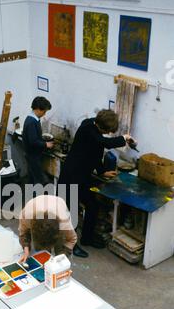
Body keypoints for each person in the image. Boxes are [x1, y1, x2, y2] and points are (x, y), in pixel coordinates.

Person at [57, 109, 136, 258]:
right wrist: (124, 138)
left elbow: (96, 152)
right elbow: (103, 142)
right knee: (70, 212)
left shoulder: (96, 128)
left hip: (84, 176)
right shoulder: (87, 128)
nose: (106, 134)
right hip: (71, 176)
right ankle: (70, 245)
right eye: (106, 131)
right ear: (102, 127)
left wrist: (101, 171)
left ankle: (87, 238)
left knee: (93, 206)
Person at [18, 194, 77, 263]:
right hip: (35, 205)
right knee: (41, 252)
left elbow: (72, 239)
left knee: (60, 250)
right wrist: (26, 249)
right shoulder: (26, 216)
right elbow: (23, 233)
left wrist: (59, 260)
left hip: (58, 204)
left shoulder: (64, 223)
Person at [22, 96, 54, 185]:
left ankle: (31, 196)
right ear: (38, 109)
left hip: (30, 154)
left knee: (32, 178)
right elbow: (33, 141)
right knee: (39, 180)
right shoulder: (32, 122)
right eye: (44, 111)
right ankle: (38, 197)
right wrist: (46, 144)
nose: (44, 114)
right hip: (33, 155)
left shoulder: (32, 119)